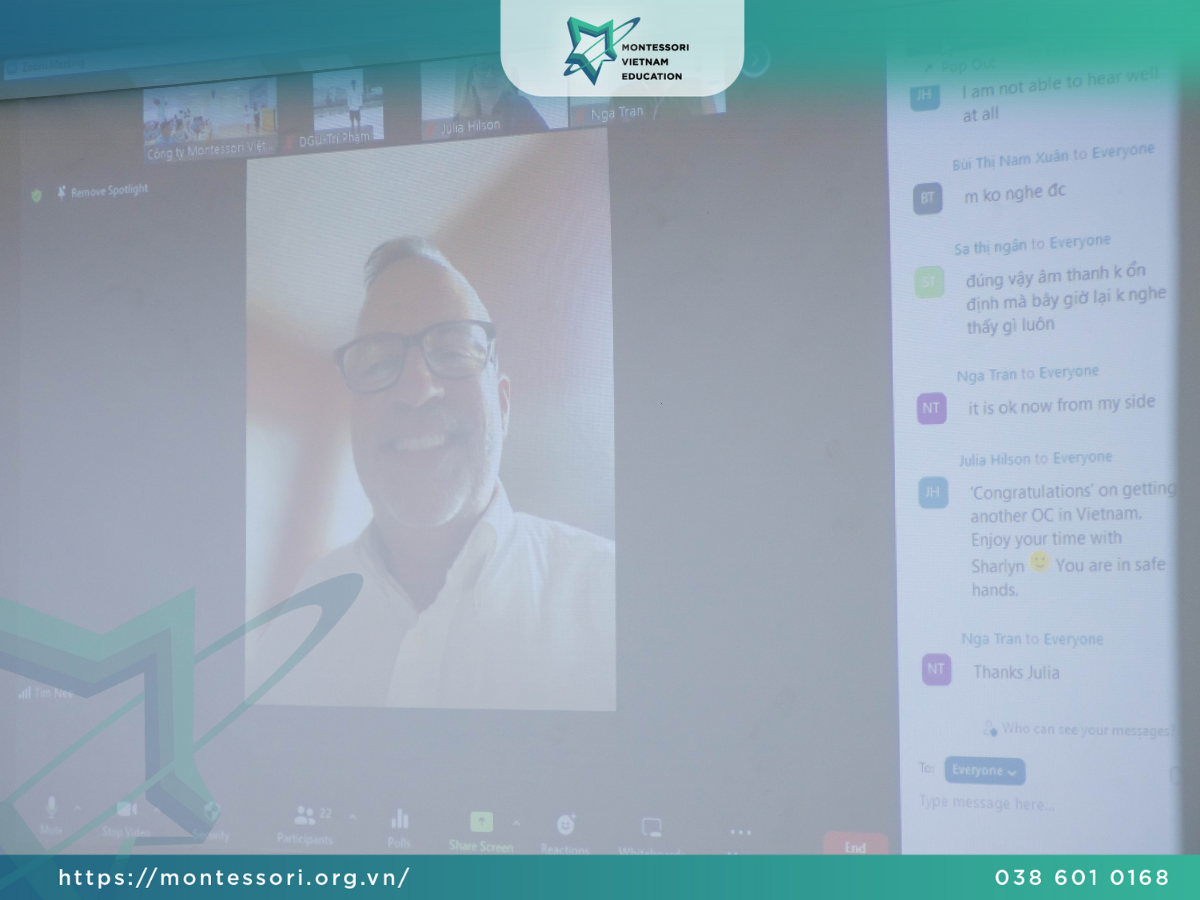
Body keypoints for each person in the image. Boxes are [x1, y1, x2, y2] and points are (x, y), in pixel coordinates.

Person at [247, 238, 615, 710]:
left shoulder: (610, 597)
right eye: (379, 363)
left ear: (503, 406)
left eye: (454, 351)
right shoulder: (295, 630)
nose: (417, 388)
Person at [456, 57, 548, 132]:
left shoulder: (521, 106)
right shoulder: (459, 121)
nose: (490, 75)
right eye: (482, 68)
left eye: (497, 68)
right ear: (472, 77)